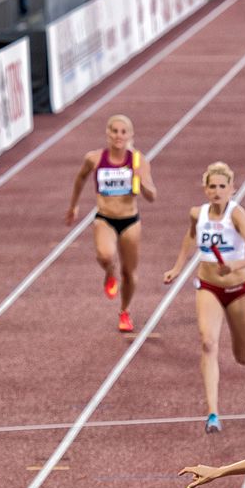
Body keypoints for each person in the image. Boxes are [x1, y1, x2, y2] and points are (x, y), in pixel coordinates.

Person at [163, 163, 245, 435]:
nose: (217, 191)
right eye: (212, 187)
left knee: (243, 357)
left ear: (231, 189)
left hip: (239, 289)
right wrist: (177, 267)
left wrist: (233, 265)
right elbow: (190, 237)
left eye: (222, 187)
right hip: (208, 286)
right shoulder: (197, 213)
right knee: (208, 342)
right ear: (205, 189)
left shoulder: (237, 215)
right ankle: (212, 413)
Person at [66, 115, 157, 332]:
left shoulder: (138, 160)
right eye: (114, 131)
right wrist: (74, 205)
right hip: (105, 217)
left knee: (129, 273)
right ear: (107, 133)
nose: (118, 135)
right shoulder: (95, 158)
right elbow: (80, 178)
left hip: (130, 220)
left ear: (130, 135)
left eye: (123, 132)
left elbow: (152, 196)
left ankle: (124, 311)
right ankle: (109, 270)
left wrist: (141, 180)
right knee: (105, 255)